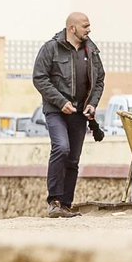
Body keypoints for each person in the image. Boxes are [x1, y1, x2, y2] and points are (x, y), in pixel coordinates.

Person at [32, 11, 104, 219]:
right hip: (56, 110)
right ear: (72, 28)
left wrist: (91, 104)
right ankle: (54, 201)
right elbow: (39, 78)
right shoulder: (50, 48)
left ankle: (65, 204)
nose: (89, 30)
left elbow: (99, 80)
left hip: (80, 113)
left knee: (73, 159)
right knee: (61, 147)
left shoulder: (91, 50)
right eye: (85, 26)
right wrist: (60, 101)